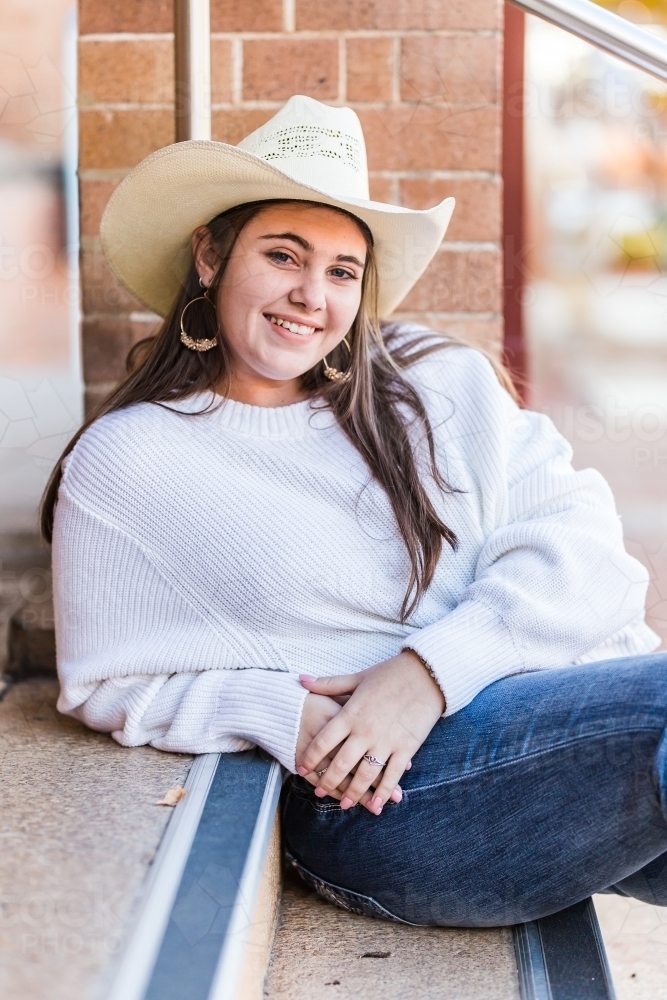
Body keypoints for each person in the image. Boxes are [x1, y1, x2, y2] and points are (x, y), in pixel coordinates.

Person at [44, 96, 667, 927]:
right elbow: (106, 680)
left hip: (567, 733)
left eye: (342, 271)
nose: (311, 295)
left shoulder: (433, 381)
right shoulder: (135, 461)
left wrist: (425, 674)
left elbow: (592, 558)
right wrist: (281, 711)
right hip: (390, 803)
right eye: (282, 255)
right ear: (209, 255)